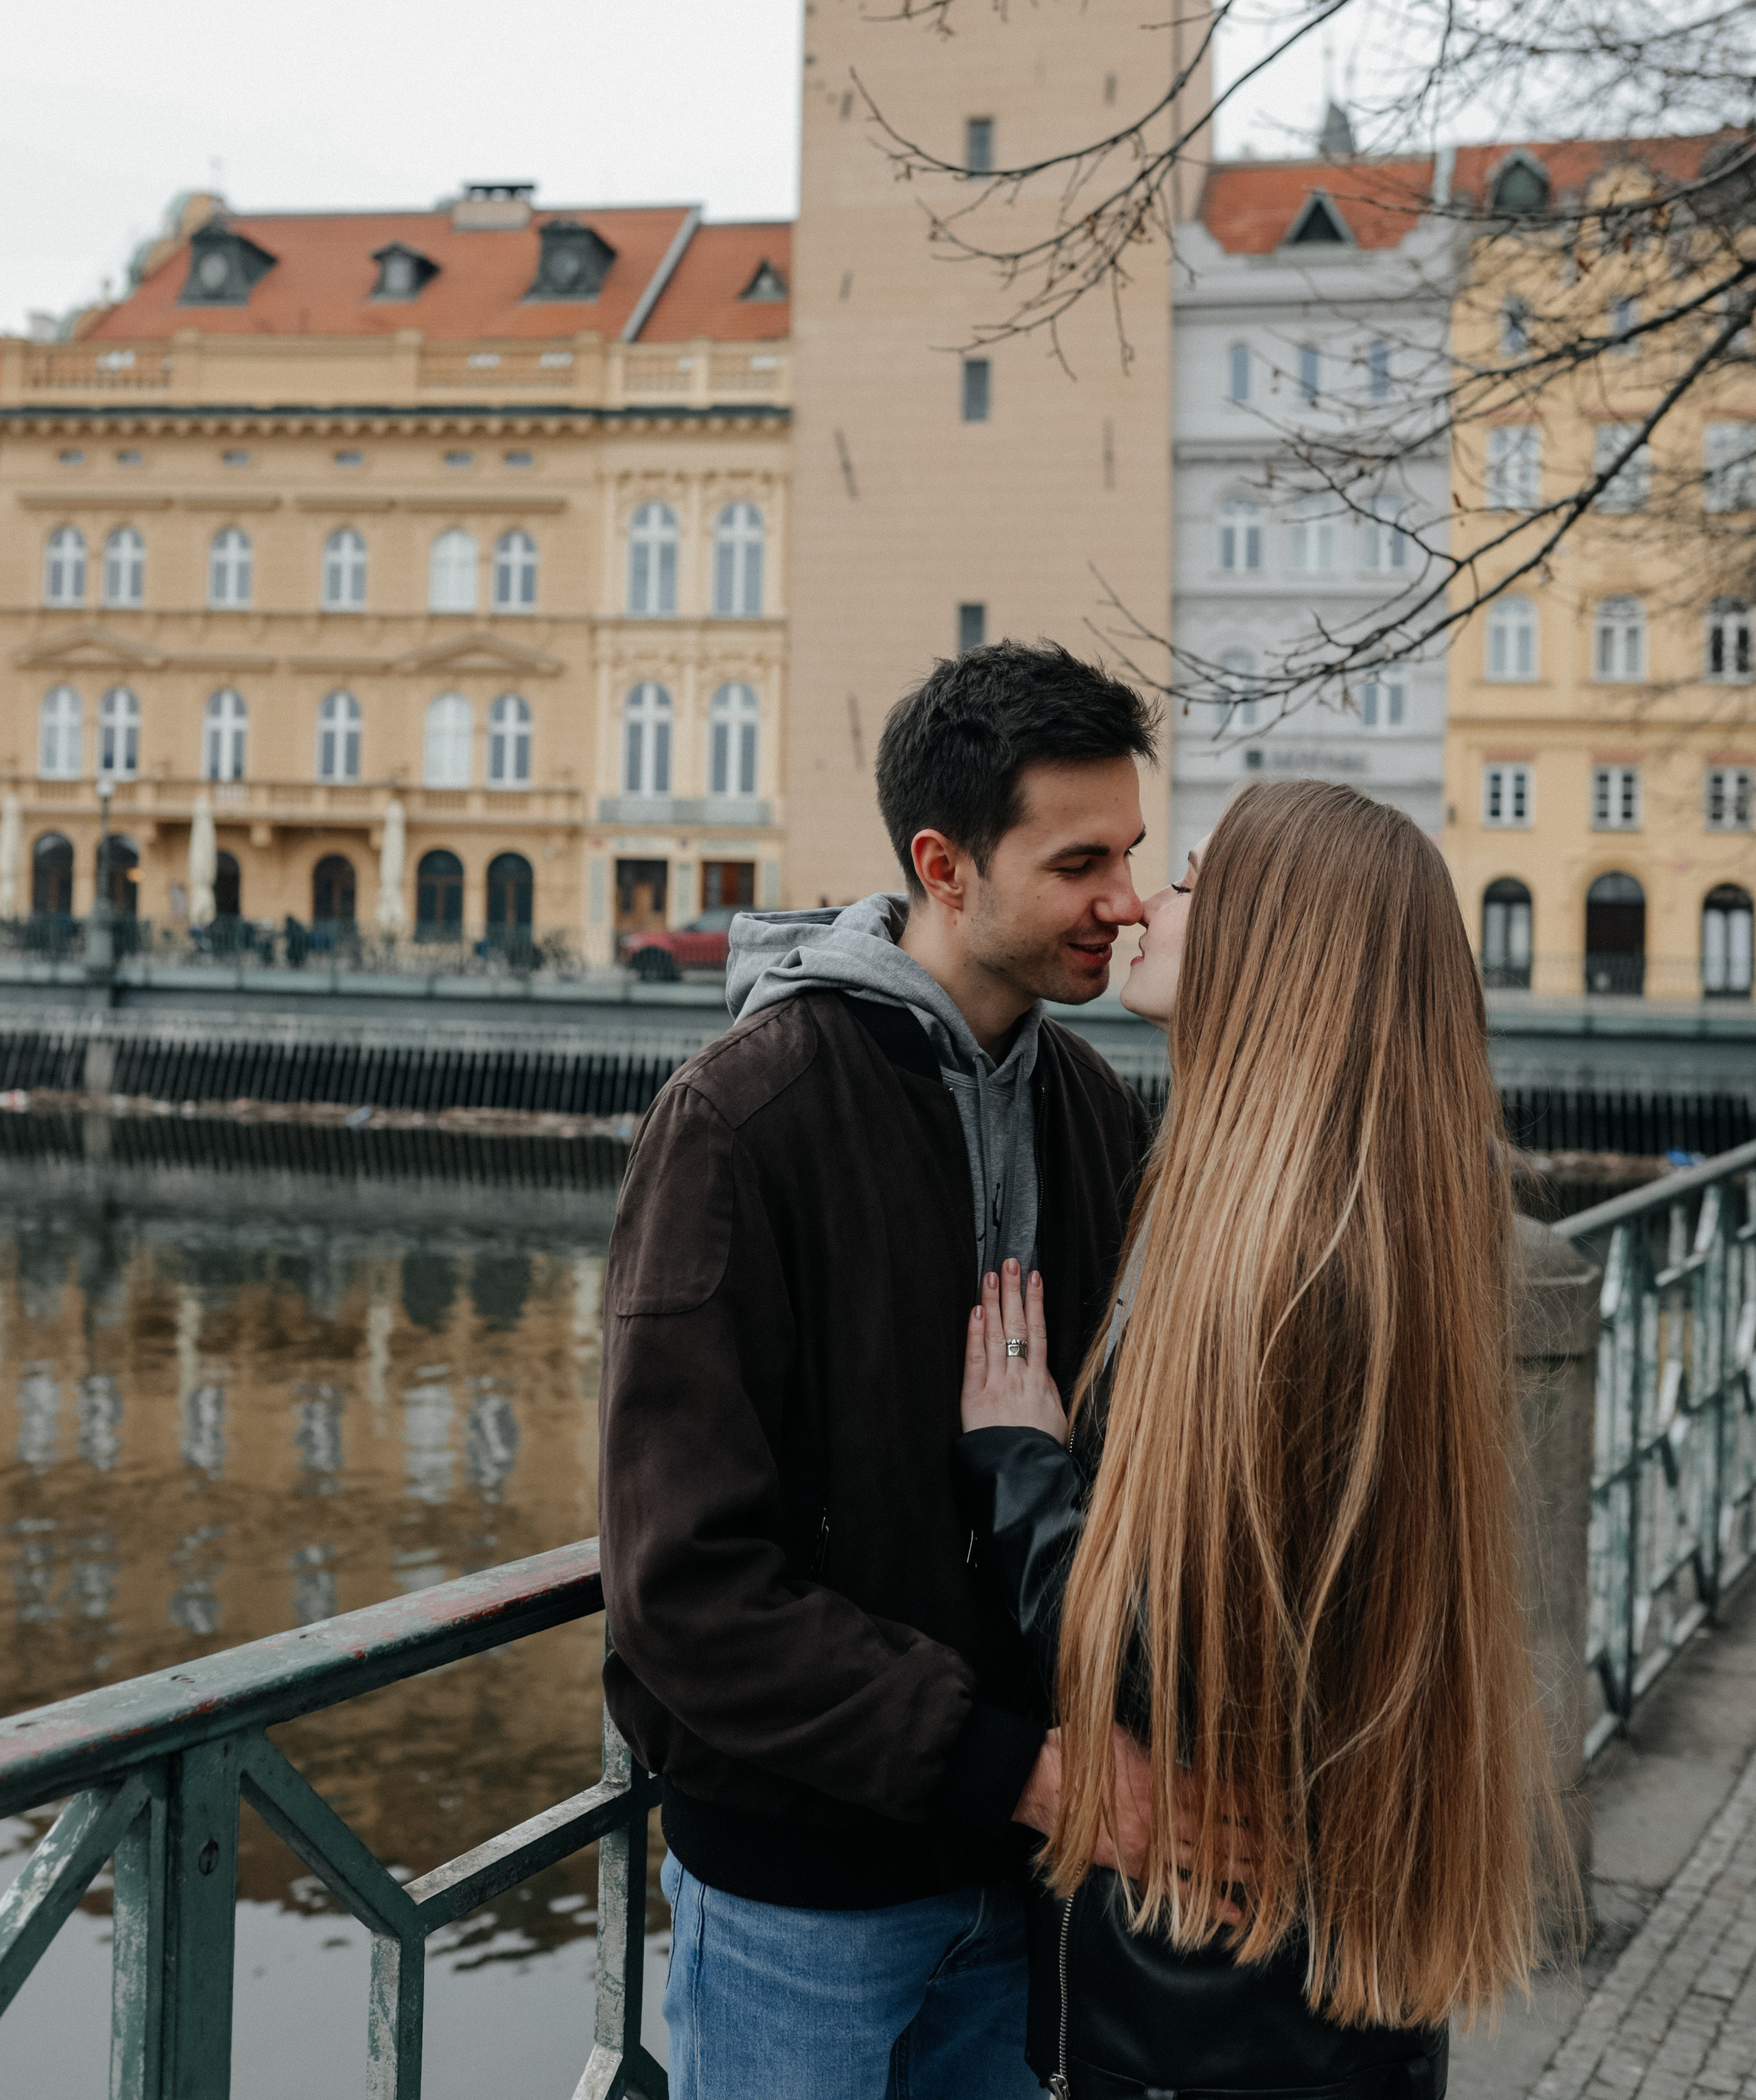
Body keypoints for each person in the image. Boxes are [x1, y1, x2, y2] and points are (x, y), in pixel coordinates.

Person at [598, 641, 1165, 2100]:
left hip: (1032, 1867)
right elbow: (683, 1585)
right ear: (945, 863)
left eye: (1134, 854)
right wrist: (1008, 1764)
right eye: (1079, 860)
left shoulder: (1093, 1108)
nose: (1126, 899)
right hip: (808, 1890)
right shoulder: (743, 1117)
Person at [955, 778, 1572, 2100]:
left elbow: (1160, 1650)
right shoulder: (1365, 1230)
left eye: (1185, 880)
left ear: (1269, 941)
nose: (1142, 905)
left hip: (1205, 2014)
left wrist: (1019, 1461)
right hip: (1301, 1988)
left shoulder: (1279, 1276)